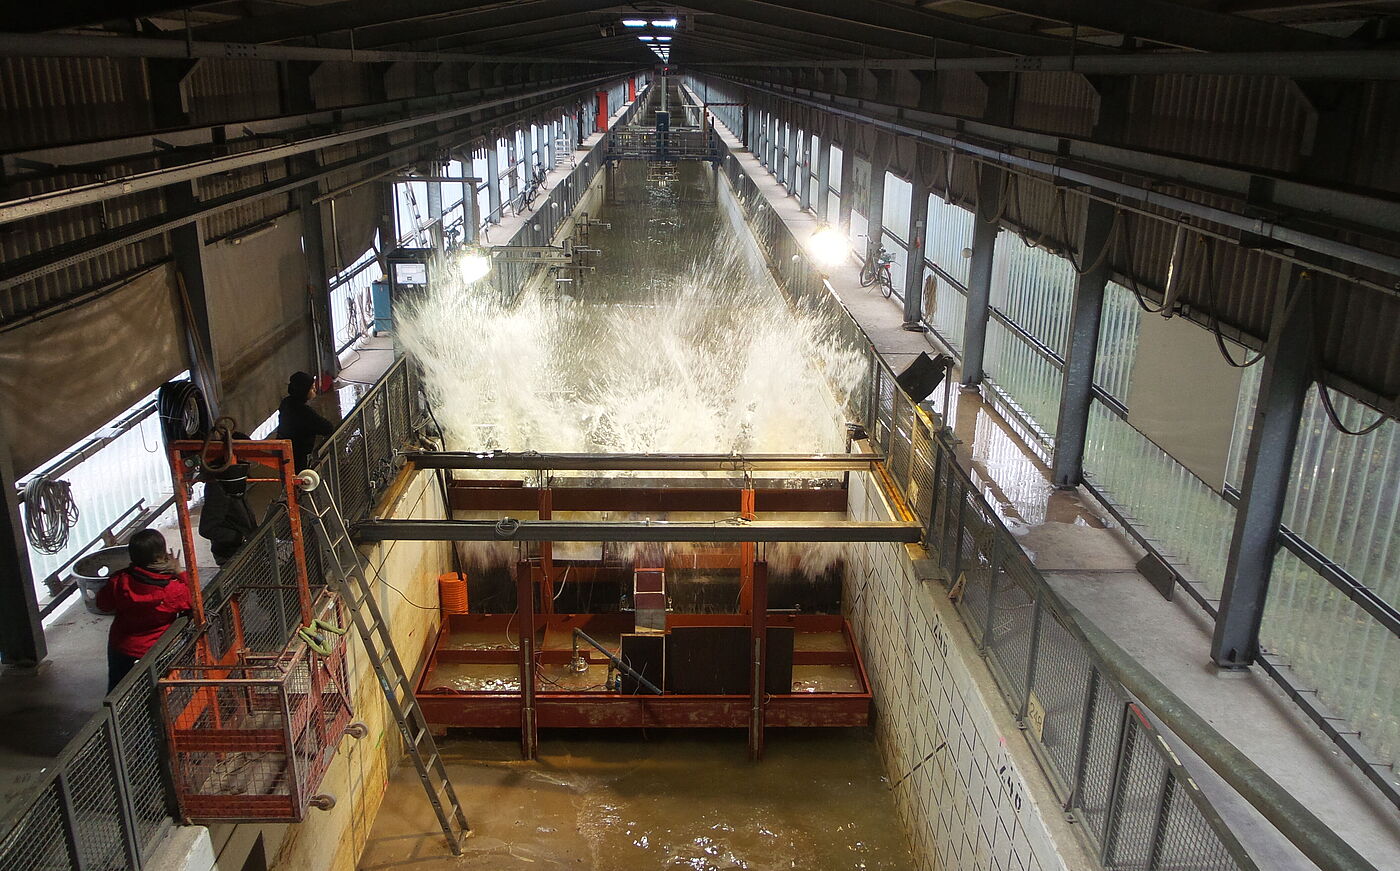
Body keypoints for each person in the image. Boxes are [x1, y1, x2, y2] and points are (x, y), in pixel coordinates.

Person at [95, 529, 192, 692]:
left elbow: (102, 604)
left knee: (117, 691)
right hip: (155, 649)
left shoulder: (119, 581)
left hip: (121, 646)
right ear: (162, 555)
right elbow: (195, 600)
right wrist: (179, 572)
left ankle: (116, 716)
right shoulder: (173, 589)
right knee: (154, 692)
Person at [276, 371, 334, 472]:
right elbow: (327, 427)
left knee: (287, 479)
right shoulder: (304, 412)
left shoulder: (286, 402)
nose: (315, 389)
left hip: (284, 453)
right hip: (298, 457)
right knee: (301, 483)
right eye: (311, 388)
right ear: (303, 390)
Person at [197, 463, 255, 565]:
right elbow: (206, 529)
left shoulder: (234, 486)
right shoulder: (219, 490)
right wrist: (239, 538)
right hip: (230, 554)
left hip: (240, 550)